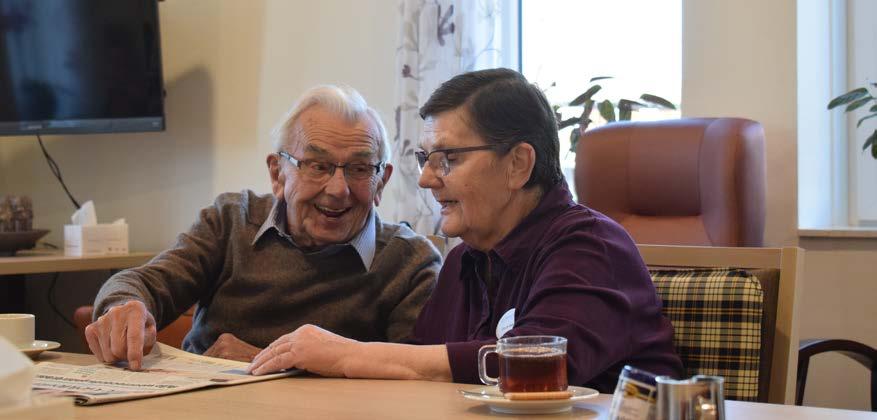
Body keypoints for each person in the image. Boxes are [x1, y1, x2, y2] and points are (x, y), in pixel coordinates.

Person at [247, 68, 683, 392]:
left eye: (448, 159)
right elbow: (419, 375)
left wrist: (350, 354)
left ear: (518, 164)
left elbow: (537, 367)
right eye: (425, 159)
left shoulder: (591, 247)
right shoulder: (462, 262)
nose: (426, 179)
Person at [85, 85, 441, 370]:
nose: (338, 189)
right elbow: (144, 282)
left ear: (381, 182)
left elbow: (413, 379)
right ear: (277, 173)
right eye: (317, 166)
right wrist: (125, 306)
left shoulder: (410, 263)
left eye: (360, 169)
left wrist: (270, 363)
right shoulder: (231, 220)